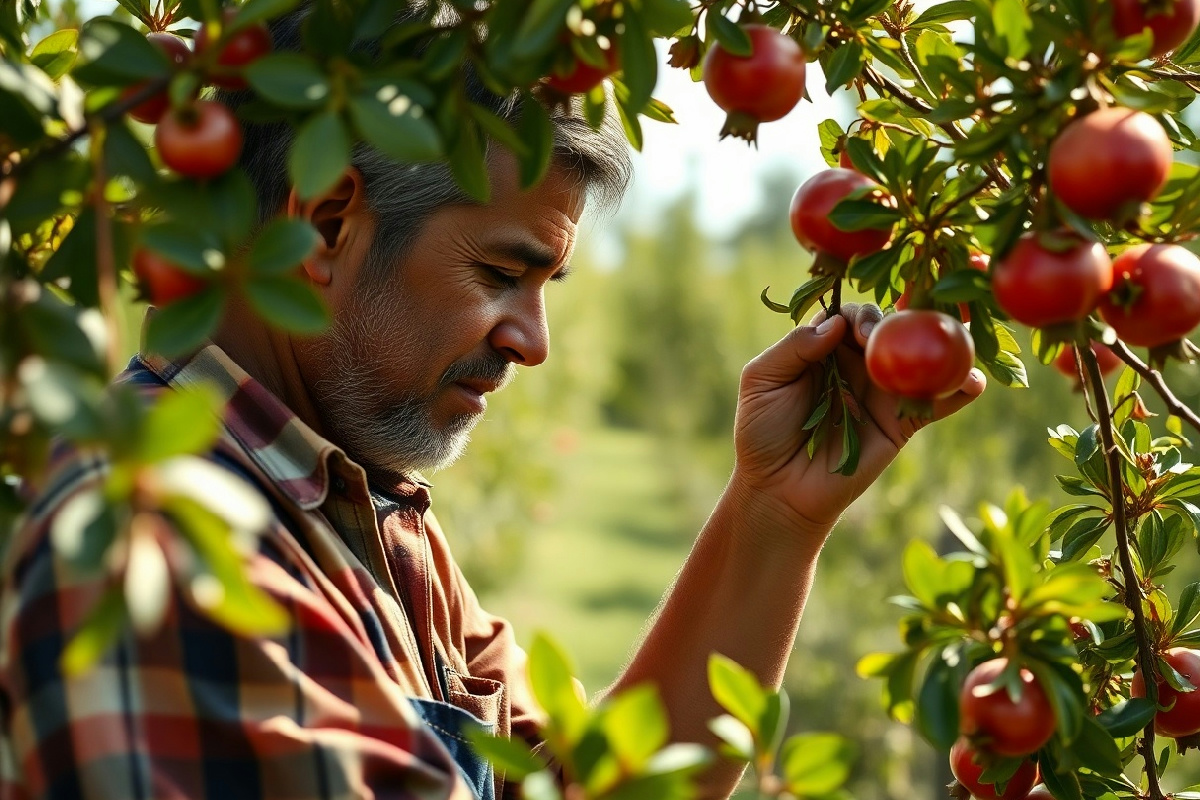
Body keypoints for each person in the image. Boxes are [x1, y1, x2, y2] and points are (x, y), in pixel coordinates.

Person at [0, 11, 987, 800]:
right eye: (501, 272)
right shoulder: (155, 544)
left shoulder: (360, 512)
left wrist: (774, 511)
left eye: (547, 286)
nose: (534, 340)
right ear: (329, 223)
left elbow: (584, 785)